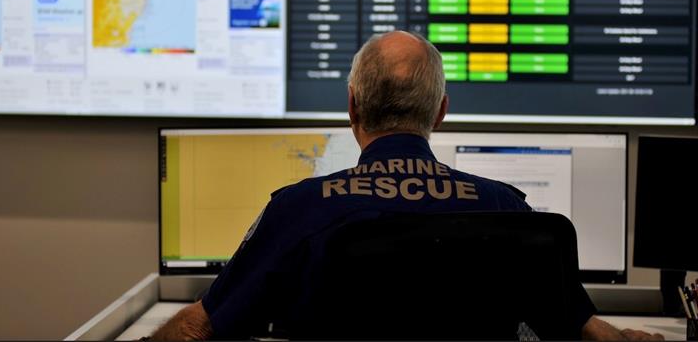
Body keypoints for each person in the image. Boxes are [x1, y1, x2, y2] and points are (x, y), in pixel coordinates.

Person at [151, 31, 663, 341]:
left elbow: (200, 328)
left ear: (352, 106)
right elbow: (587, 330)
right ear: (440, 112)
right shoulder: (509, 211)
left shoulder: (300, 210)